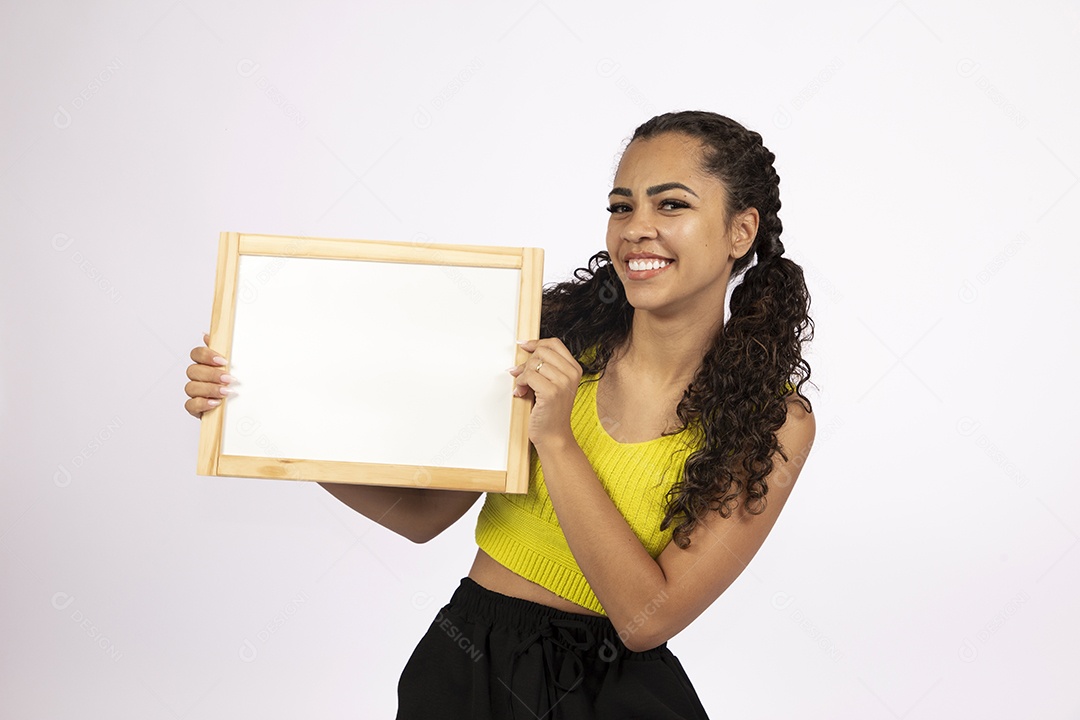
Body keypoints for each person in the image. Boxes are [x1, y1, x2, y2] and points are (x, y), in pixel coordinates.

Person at [184, 110, 816, 719]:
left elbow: (647, 619)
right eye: (621, 206)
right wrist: (269, 412)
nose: (635, 228)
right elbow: (424, 516)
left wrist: (559, 441)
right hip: (467, 663)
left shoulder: (773, 423)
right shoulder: (549, 342)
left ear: (741, 231)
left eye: (671, 204)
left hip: (613, 692)